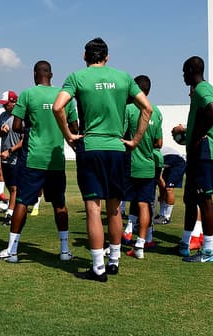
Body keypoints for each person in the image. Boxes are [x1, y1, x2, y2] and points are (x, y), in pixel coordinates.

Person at [53, 37, 152, 282]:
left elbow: (58, 107)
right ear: (107, 57)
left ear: (85, 57)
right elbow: (147, 108)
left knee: (93, 208)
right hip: (117, 148)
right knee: (115, 207)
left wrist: (68, 135)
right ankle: (114, 261)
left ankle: (98, 268)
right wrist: (135, 140)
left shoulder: (77, 77)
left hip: (92, 146)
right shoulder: (124, 77)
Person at [0, 60, 77, 263]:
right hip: (56, 159)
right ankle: (64, 250)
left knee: (22, 201)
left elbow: (17, 126)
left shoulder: (28, 94)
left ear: (34, 74)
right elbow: (74, 128)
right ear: (52, 74)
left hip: (33, 158)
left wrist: (32, 127)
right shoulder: (64, 96)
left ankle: (12, 251)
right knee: (60, 205)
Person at [172, 56, 213, 262]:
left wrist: (198, 136)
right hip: (196, 152)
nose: (183, 75)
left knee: (204, 199)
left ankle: (207, 251)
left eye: (184, 71)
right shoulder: (198, 92)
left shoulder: (203, 88)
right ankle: (185, 243)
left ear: (192, 70)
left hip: (204, 152)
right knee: (190, 199)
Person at [122, 75, 163, 259]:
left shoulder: (129, 109)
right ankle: (141, 244)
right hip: (149, 165)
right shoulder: (157, 112)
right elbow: (159, 142)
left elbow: (120, 135)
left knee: (118, 204)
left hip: (131, 164)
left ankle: (116, 245)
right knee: (144, 204)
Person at [0, 90, 22, 225]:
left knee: (14, 188)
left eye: (6, 104)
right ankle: (14, 211)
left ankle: (10, 214)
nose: (4, 107)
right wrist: (1, 131)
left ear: (14, 102)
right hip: (5, 156)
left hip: (16, 157)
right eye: (3, 104)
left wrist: (10, 150)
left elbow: (24, 139)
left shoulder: (20, 117)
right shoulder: (3, 116)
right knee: (10, 186)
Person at [154, 145, 186, 224]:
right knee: (162, 188)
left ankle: (167, 217)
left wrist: (162, 194)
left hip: (179, 163)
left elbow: (159, 177)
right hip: (168, 164)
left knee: (169, 189)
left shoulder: (153, 154)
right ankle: (161, 214)